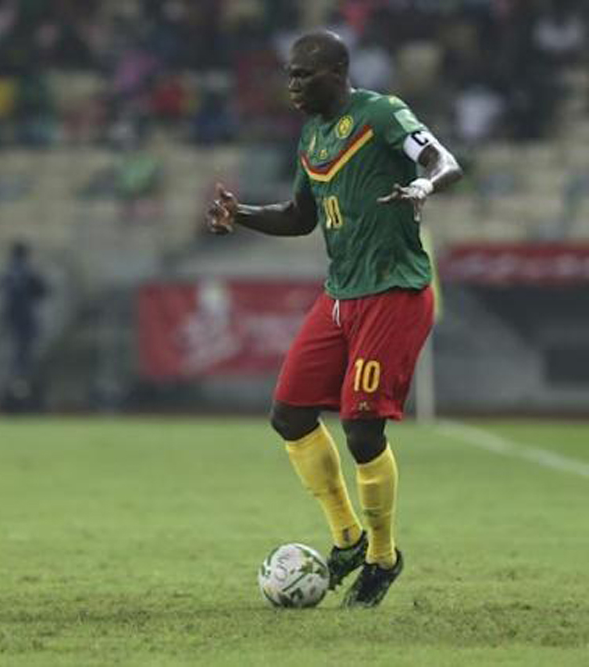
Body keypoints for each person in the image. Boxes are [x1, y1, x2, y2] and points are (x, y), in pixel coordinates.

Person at [206, 31, 462, 608]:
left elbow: (443, 159)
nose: (292, 85)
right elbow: (301, 216)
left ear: (337, 72)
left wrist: (424, 184)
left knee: (362, 428)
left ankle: (382, 559)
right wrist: (241, 214)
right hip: (342, 292)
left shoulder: (381, 113)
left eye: (303, 74)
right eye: (289, 75)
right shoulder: (312, 136)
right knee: (289, 414)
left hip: (393, 291)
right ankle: (348, 540)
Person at [1, 241, 47, 410]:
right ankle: (23, 389)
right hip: (26, 321)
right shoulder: (27, 272)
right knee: (25, 357)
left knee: (18, 356)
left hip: (14, 321)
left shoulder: (9, 272)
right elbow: (43, 290)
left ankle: (18, 386)